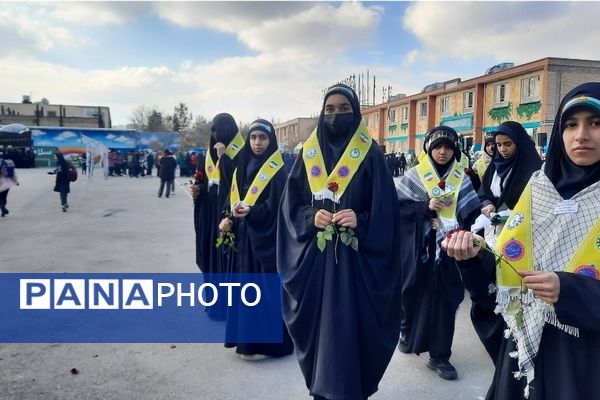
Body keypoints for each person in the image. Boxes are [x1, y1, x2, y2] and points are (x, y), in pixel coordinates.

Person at [443, 82, 600, 399]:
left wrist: (569, 290)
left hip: (584, 362)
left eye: (596, 124)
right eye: (571, 124)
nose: (581, 135)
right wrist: (474, 256)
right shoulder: (539, 189)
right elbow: (509, 274)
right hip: (522, 351)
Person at [278, 84, 408, 399]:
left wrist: (360, 221)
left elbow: (387, 214)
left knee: (352, 333)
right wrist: (312, 217)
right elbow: (291, 207)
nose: (336, 115)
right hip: (316, 266)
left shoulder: (372, 154)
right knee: (320, 333)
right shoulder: (307, 155)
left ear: (356, 113)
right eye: (330, 109)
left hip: (358, 266)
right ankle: (322, 388)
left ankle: (350, 390)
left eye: (344, 109)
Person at [395, 126, 481, 380]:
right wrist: (425, 208)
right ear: (428, 149)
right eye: (437, 147)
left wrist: (467, 224)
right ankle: (407, 331)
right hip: (417, 250)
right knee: (410, 293)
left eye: (448, 147)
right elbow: (397, 209)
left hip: (448, 253)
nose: (442, 152)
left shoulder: (462, 178)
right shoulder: (414, 175)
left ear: (455, 150)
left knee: (446, 300)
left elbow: (470, 214)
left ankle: (440, 356)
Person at [218, 119, 293, 360]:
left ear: (270, 141)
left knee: (264, 291)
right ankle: (245, 341)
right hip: (243, 239)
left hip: (264, 241)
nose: (257, 142)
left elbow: (278, 208)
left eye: (263, 138)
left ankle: (271, 345)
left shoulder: (277, 170)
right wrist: (228, 217)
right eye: (253, 137)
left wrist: (254, 212)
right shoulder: (242, 165)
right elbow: (234, 198)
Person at [193, 113, 244, 320]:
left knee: (226, 260)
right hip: (208, 214)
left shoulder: (242, 152)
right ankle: (214, 304)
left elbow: (239, 182)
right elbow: (204, 181)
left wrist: (224, 158)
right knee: (209, 257)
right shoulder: (206, 154)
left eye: (221, 129)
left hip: (227, 214)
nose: (217, 134)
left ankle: (229, 307)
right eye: (213, 130)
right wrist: (198, 189)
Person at [478, 121, 542, 244]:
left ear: (519, 143)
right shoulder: (495, 166)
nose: (502, 149)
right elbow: (484, 192)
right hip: (494, 229)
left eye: (508, 144)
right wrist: (487, 203)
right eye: (499, 145)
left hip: (522, 232)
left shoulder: (533, 169)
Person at [0, 151, 19, 217]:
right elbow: (13, 174)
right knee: (4, 196)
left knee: (0, 196)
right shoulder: (8, 163)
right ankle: (3, 207)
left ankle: (2, 206)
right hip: (7, 183)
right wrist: (16, 182)